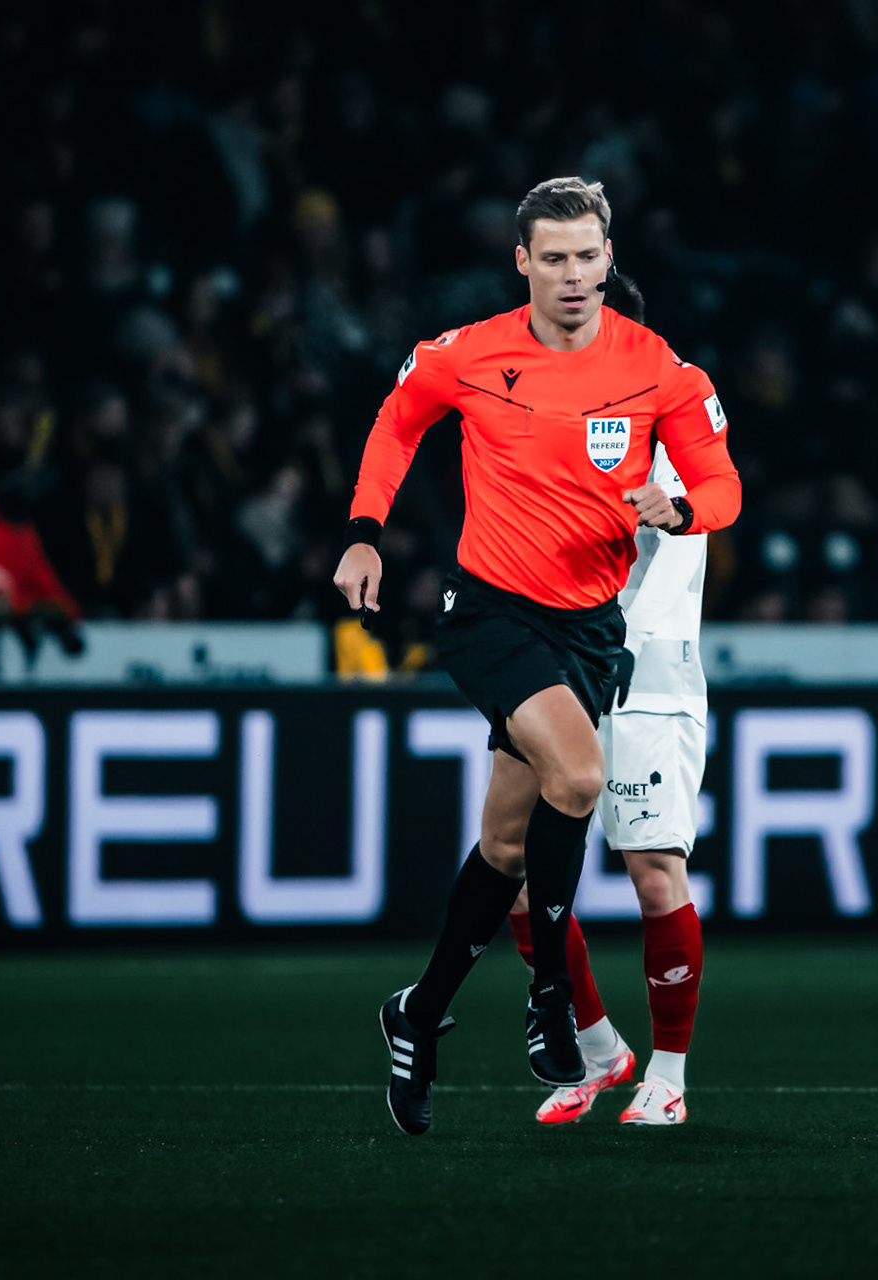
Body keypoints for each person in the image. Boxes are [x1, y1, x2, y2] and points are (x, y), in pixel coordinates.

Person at [335, 178, 739, 1136]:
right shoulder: (468, 353)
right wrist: (363, 531)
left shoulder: (660, 369)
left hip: (589, 627)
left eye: (585, 256)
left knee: (507, 848)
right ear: (522, 262)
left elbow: (722, 483)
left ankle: (418, 1014)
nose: (569, 274)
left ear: (608, 258)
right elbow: (396, 425)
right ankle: (554, 1003)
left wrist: (679, 510)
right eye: (550, 257)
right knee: (582, 773)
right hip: (491, 611)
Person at [502, 274, 704, 1127]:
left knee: (653, 873)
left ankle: (669, 1075)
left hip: (645, 675)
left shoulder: (664, 420)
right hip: (560, 668)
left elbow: (707, 499)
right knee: (509, 869)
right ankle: (594, 1048)